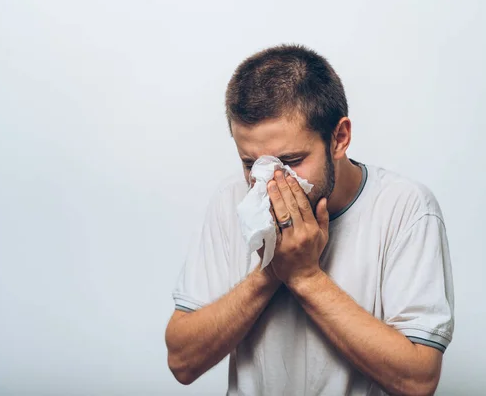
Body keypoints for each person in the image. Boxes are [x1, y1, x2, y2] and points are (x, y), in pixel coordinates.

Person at [165, 44, 454, 396]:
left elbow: (418, 380)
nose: (269, 183)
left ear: (339, 138)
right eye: (249, 164)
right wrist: (271, 270)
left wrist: (305, 276)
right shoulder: (231, 200)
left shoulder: (405, 207)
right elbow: (182, 361)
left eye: (291, 160)